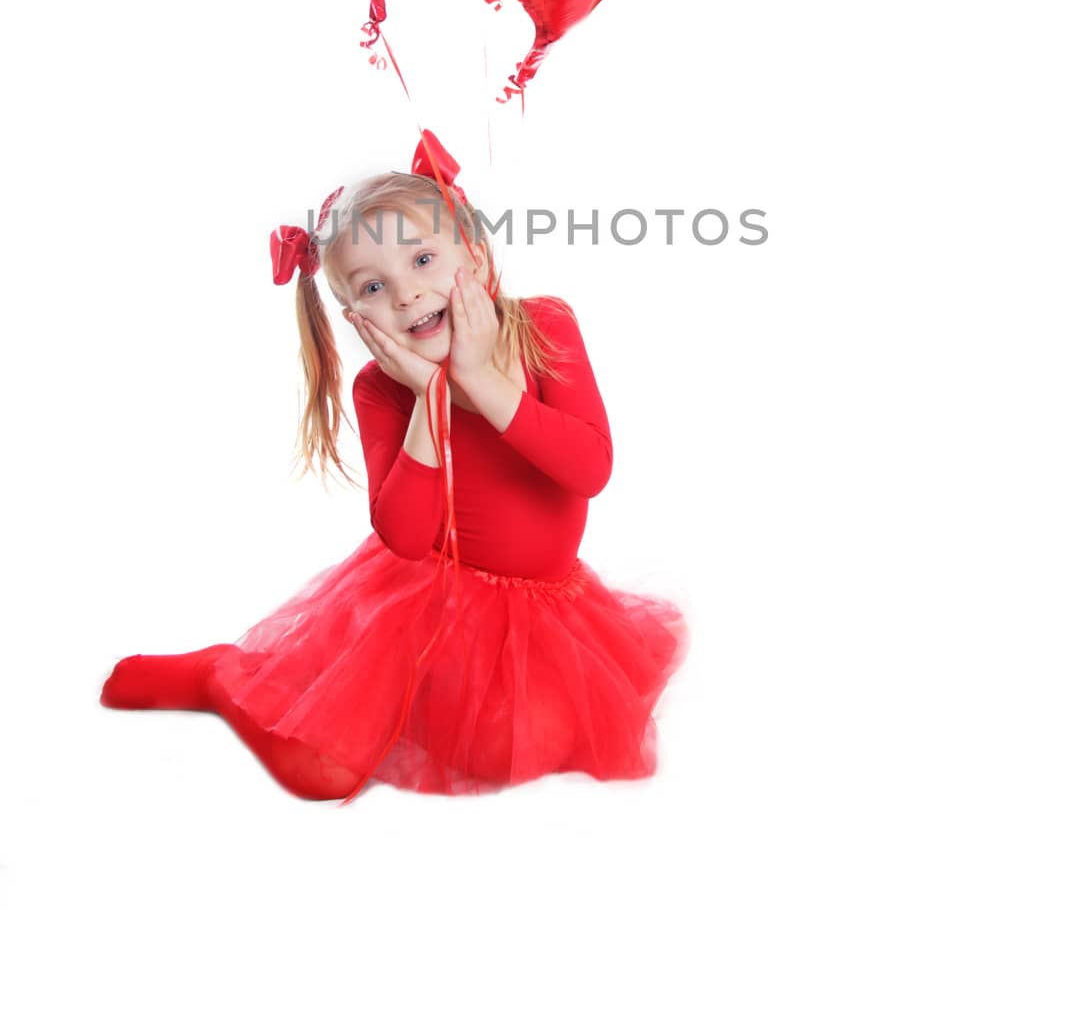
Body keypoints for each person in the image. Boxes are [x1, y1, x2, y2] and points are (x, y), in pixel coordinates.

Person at [99, 130, 690, 804]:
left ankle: (413, 706)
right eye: (375, 286)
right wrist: (429, 396)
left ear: (473, 253)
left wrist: (478, 378)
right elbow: (406, 538)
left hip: (542, 607)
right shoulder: (380, 390)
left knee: (529, 748)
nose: (407, 294)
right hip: (428, 597)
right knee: (320, 777)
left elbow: (587, 470)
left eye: (424, 259)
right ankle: (219, 678)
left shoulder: (544, 324)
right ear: (354, 315)